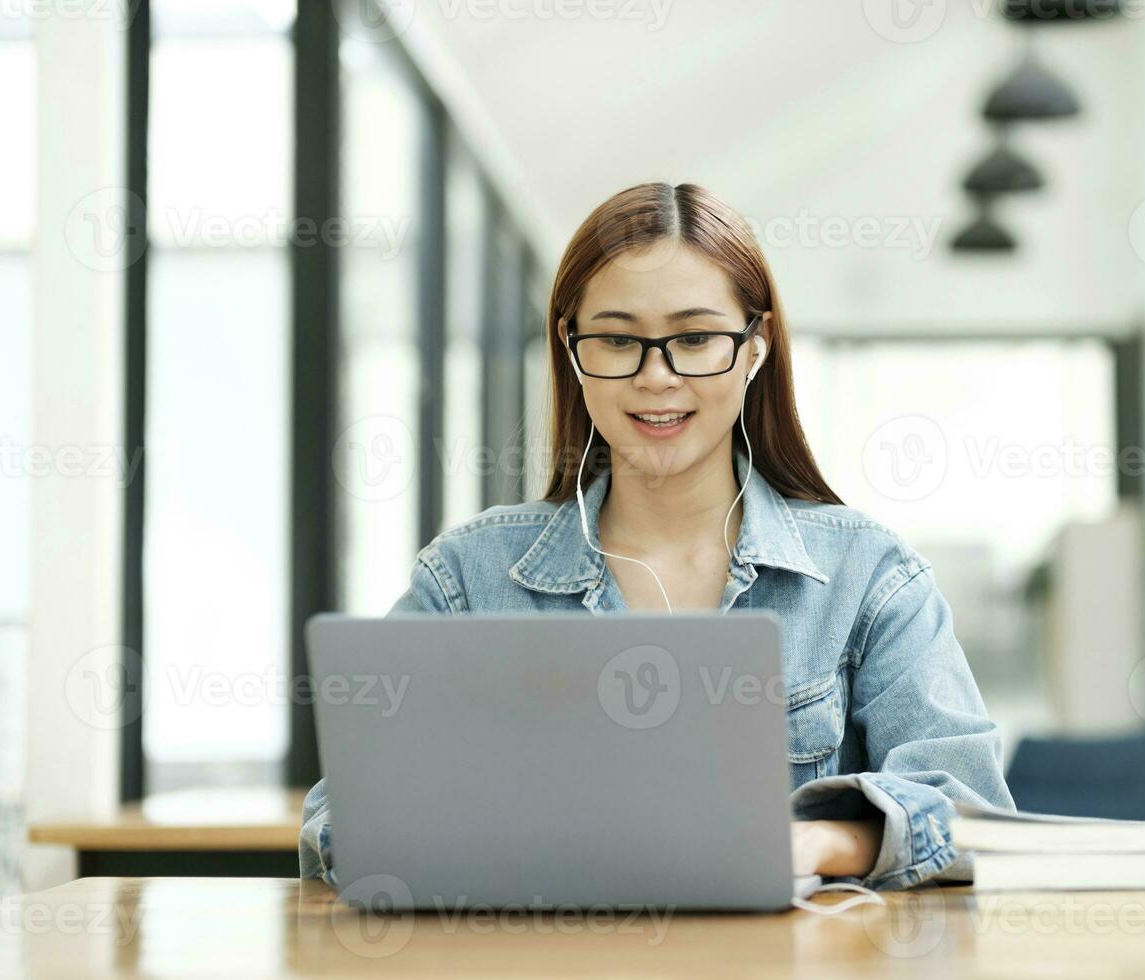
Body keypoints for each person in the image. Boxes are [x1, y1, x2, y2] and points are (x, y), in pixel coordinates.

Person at [300, 181, 1013, 890]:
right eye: (617, 340)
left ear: (755, 348)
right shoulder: (469, 576)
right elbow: (341, 823)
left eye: (696, 338)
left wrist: (815, 842)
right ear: (572, 348)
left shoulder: (867, 574)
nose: (656, 376)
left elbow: (973, 820)